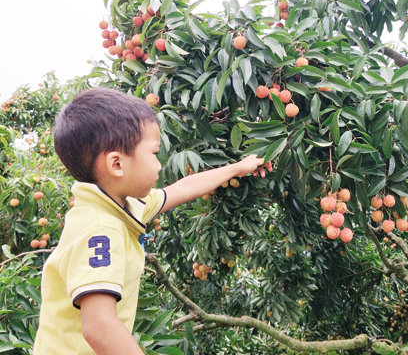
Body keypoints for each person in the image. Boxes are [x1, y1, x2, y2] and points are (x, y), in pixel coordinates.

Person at [33, 88, 271, 355]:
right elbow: (99, 326)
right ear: (117, 164)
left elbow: (181, 189)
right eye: (154, 153)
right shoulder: (101, 229)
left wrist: (238, 167)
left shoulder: (121, 207)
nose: (159, 166)